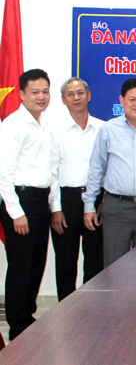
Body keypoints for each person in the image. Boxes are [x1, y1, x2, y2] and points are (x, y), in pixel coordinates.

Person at [82, 79, 136, 267]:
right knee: (114, 267)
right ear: (121, 100)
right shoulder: (108, 130)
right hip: (116, 208)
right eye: (132, 99)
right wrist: (89, 205)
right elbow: (97, 169)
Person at [0, 69, 58, 340]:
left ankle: (27, 316)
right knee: (21, 267)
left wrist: (53, 206)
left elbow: (51, 169)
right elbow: (3, 174)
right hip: (19, 202)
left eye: (45, 91)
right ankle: (17, 326)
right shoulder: (13, 125)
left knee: (36, 263)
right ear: (21, 94)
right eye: (34, 92)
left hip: (40, 201)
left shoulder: (44, 124)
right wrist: (16, 213)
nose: (41, 96)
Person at [50, 77, 105, 301]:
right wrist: (55, 208)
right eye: (70, 94)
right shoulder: (54, 130)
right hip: (66, 200)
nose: (76, 98)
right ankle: (65, 308)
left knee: (95, 258)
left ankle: (91, 306)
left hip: (97, 198)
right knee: (65, 259)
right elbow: (51, 171)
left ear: (88, 96)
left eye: (80, 93)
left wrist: (105, 201)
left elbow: (110, 167)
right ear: (63, 100)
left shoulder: (103, 128)